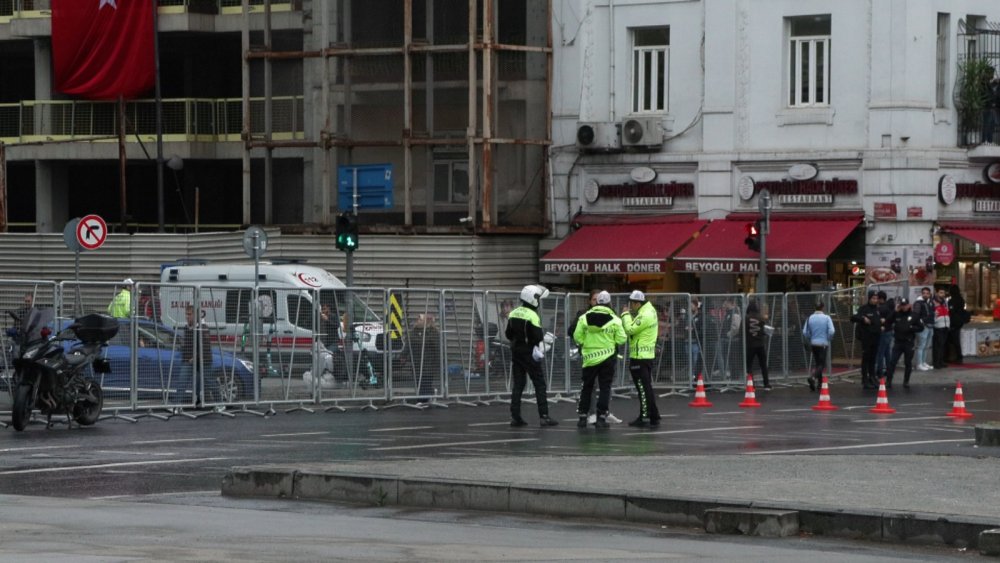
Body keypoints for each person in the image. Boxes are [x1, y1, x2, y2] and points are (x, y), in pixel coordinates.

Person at [505, 284, 558, 427]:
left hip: (516, 352)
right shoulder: (532, 315)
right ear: (533, 299)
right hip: (530, 354)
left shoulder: (514, 312)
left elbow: (508, 334)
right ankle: (544, 416)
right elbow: (537, 336)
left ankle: (515, 417)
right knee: (539, 384)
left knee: (518, 385)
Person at [573, 290, 626, 429]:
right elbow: (622, 339)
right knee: (604, 388)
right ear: (609, 303)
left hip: (589, 358)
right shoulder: (615, 319)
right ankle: (601, 418)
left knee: (586, 387)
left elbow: (577, 336)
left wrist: (587, 343)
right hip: (607, 357)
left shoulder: (584, 317)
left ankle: (583, 417)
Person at [620, 290, 660, 428]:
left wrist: (625, 314)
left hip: (640, 356)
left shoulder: (645, 314)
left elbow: (630, 329)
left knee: (643, 389)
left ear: (637, 303)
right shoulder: (649, 311)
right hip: (645, 355)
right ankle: (654, 415)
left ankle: (645, 416)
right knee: (646, 387)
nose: (631, 307)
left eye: (632, 304)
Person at [885, 298, 924, 389]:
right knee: (892, 362)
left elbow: (921, 327)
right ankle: (889, 381)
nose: (904, 307)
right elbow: (888, 321)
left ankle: (906, 381)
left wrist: (911, 328)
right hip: (898, 342)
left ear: (908, 305)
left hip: (908, 342)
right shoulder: (897, 314)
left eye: (905, 305)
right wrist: (894, 311)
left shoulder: (914, 315)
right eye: (902, 305)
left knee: (908, 363)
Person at [180, 304, 211, 404]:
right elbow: (188, 345)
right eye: (186, 314)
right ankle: (176, 403)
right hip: (191, 360)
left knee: (209, 382)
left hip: (203, 361)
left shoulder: (202, 328)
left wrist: (194, 357)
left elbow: (205, 348)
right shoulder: (188, 328)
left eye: (189, 314)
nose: (187, 316)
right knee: (182, 382)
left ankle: (218, 403)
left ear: (195, 315)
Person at [851, 291, 882, 389]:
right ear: (869, 299)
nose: (875, 300)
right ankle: (865, 379)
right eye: (873, 298)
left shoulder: (877, 309)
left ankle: (872, 377)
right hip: (866, 338)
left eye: (876, 298)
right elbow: (853, 317)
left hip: (876, 337)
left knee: (873, 359)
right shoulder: (864, 309)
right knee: (866, 359)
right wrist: (863, 318)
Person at [802, 301, 835, 391]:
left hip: (813, 343)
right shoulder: (826, 318)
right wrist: (828, 338)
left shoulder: (810, 318)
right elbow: (832, 331)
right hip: (823, 343)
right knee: (821, 364)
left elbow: (805, 332)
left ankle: (819, 383)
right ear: (823, 307)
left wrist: (810, 337)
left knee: (817, 363)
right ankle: (813, 376)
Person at [411, 313, 440, 399]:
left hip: (428, 362)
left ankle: (426, 397)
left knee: (426, 381)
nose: (418, 321)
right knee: (418, 381)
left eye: (420, 320)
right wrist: (403, 356)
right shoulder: (414, 331)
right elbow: (409, 343)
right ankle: (422, 398)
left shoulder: (433, 332)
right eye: (418, 320)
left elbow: (435, 346)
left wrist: (437, 362)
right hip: (416, 361)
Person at [744, 300, 770, 390]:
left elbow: (741, 331)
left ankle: (752, 385)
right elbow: (765, 331)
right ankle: (766, 384)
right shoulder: (761, 318)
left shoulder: (746, 318)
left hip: (750, 344)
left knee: (749, 366)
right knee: (763, 365)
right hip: (760, 344)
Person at [911, 287, 935, 371]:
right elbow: (916, 315)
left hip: (930, 326)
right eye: (924, 293)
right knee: (921, 346)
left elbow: (931, 313)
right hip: (923, 327)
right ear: (921, 294)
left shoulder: (930, 302)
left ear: (929, 294)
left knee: (926, 346)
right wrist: (921, 322)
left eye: (927, 293)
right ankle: (919, 364)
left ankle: (923, 362)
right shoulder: (918, 303)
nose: (925, 294)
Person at [874, 291, 894, 380]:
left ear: (880, 299)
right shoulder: (889, 306)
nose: (876, 300)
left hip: (883, 332)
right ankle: (889, 370)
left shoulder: (881, 308)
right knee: (887, 352)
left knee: (880, 353)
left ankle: (880, 371)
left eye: (877, 298)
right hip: (889, 331)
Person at [947, 284, 968, 364]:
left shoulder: (951, 301)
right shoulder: (961, 300)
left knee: (954, 340)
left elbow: (951, 312)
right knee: (956, 340)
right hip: (960, 321)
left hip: (953, 322)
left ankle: (956, 356)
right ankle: (958, 356)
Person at [932, 288, 950, 369]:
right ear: (937, 293)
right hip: (938, 326)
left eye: (943, 293)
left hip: (945, 326)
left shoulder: (945, 302)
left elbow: (947, 313)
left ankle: (941, 361)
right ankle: (937, 363)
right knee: (938, 346)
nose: (942, 294)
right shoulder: (933, 302)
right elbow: (933, 314)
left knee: (942, 345)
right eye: (941, 292)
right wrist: (935, 321)